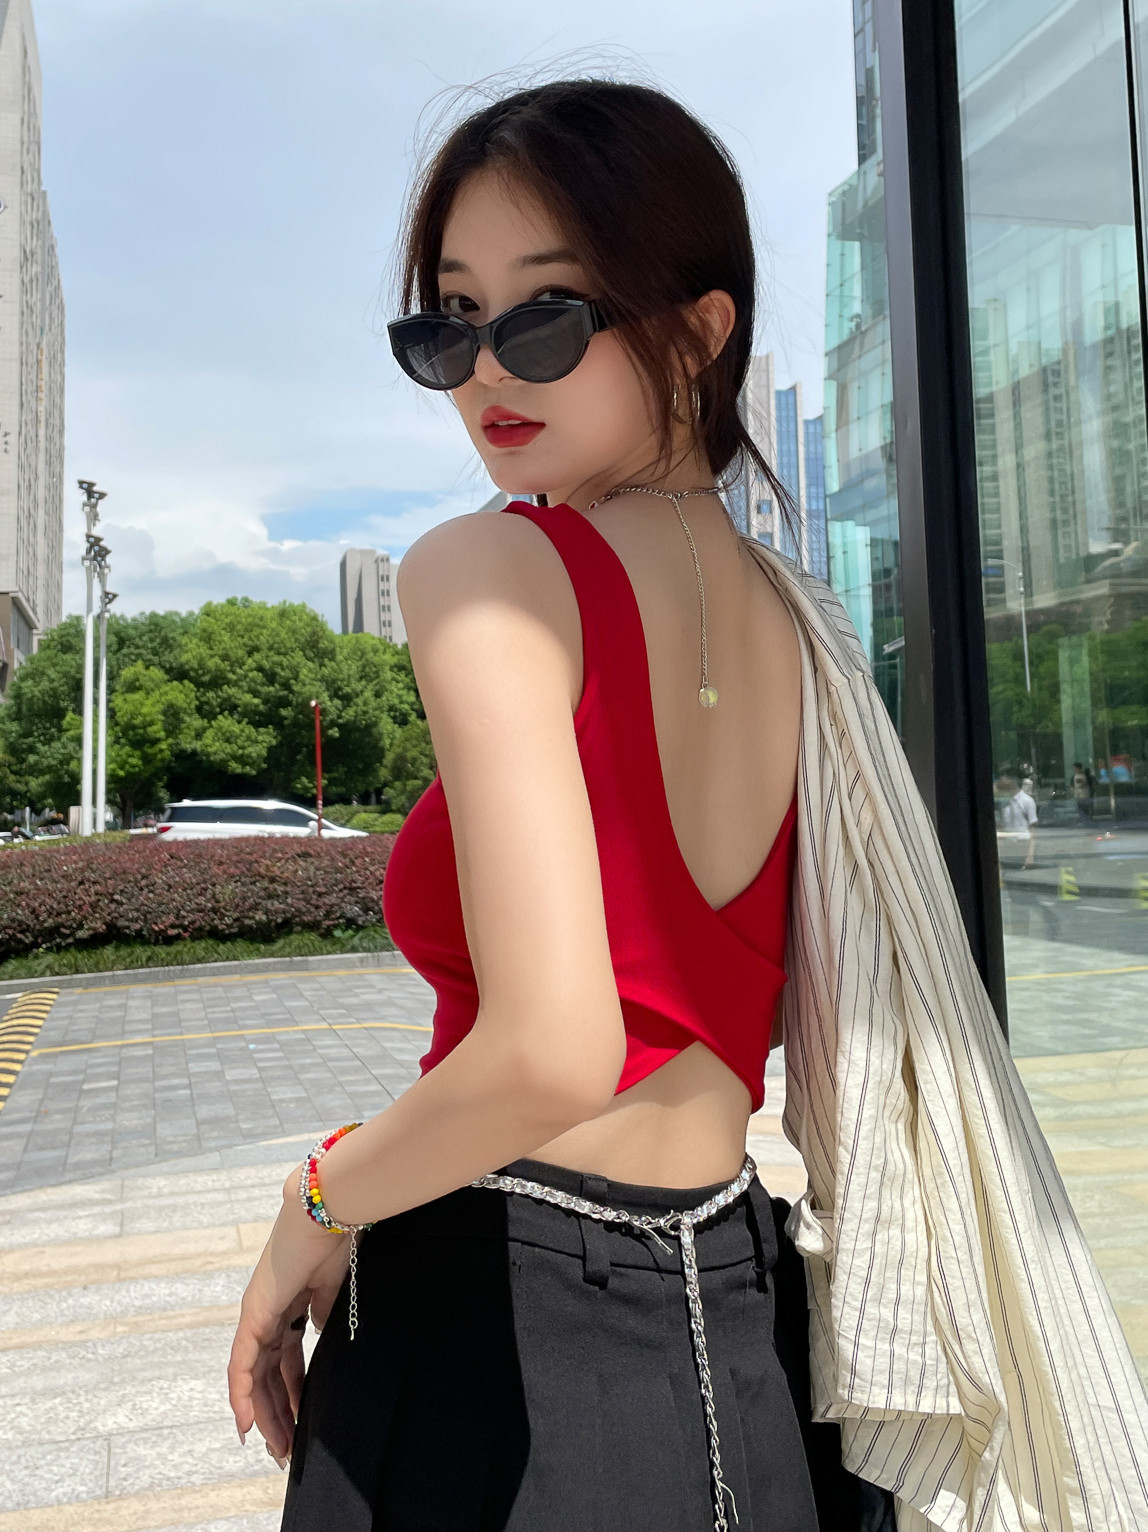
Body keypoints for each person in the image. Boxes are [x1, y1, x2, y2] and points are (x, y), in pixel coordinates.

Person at [227, 82, 1148, 1532]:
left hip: (494, 1337)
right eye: (449, 322)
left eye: (545, 315)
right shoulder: (798, 617)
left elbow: (552, 1049)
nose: (485, 369)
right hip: (740, 1321)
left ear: (699, 329)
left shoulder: (490, 571)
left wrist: (320, 1201)